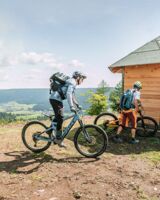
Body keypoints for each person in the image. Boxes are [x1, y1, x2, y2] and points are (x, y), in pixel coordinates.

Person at [49, 71, 87, 147]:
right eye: (82, 79)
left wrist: (77, 105)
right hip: (55, 99)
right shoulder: (72, 82)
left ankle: (50, 130)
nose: (82, 81)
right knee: (61, 118)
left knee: (58, 116)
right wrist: (71, 106)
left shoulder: (72, 82)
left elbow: (72, 95)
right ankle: (58, 139)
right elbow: (68, 94)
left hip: (56, 99)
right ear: (78, 77)